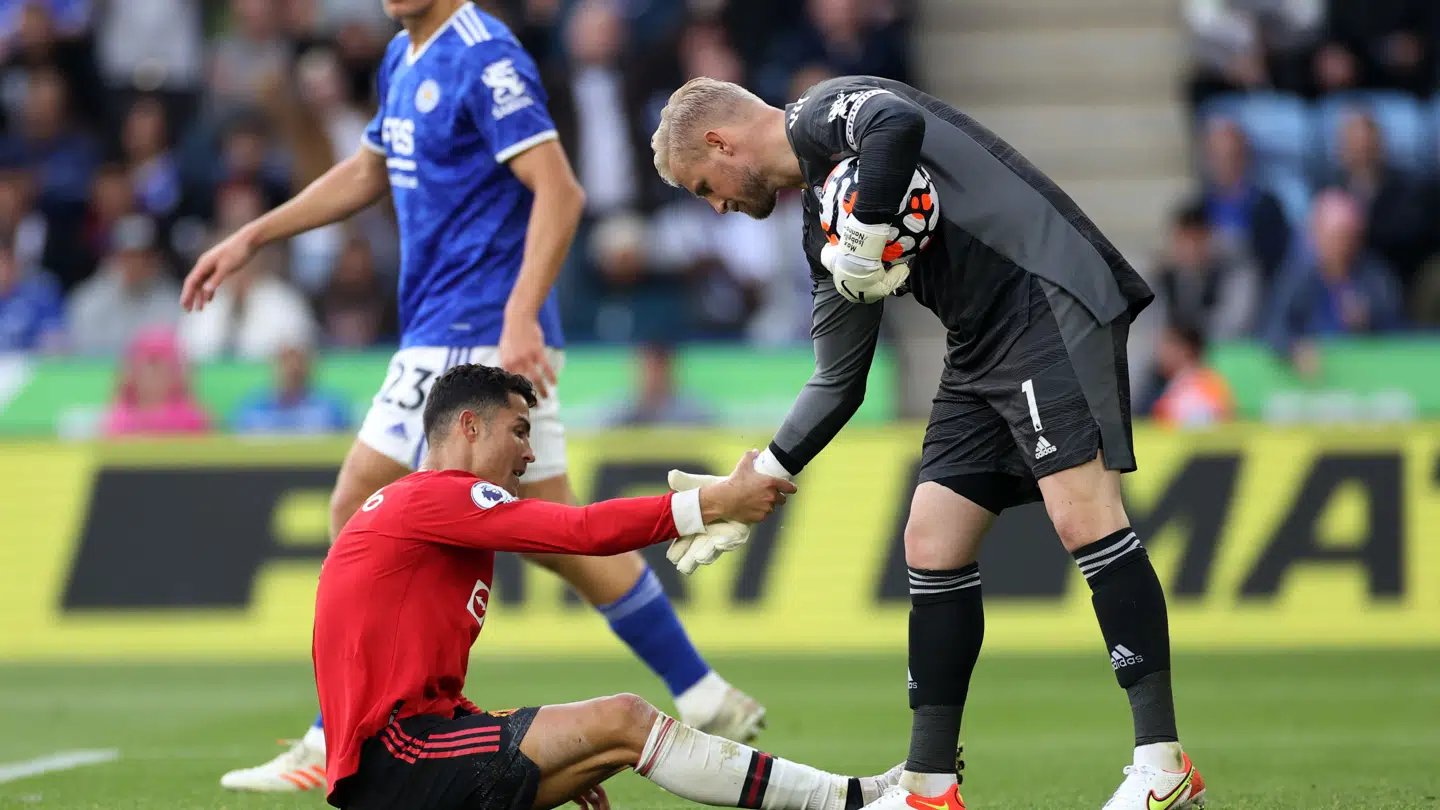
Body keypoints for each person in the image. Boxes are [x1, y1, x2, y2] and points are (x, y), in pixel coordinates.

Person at [181, 0, 766, 792]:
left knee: (357, 503)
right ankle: (702, 689)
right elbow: (368, 171)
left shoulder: (484, 54)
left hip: (479, 325)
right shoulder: (402, 55)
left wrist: (520, 311)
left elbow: (559, 190)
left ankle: (331, 733)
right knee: (546, 528)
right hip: (444, 321)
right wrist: (253, 236)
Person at [648, 76, 1205, 810]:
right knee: (931, 537)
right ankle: (928, 787)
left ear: (720, 142)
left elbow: (896, 121)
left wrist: (872, 226)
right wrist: (756, 480)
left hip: (1045, 293)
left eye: (702, 185)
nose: (716, 204)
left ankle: (1163, 764)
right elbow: (837, 381)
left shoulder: (824, 112)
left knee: (1085, 516)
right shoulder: (821, 223)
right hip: (979, 341)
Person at [315, 363, 897, 810]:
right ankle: (852, 799)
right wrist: (716, 501)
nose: (529, 453)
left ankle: (858, 796)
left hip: (401, 752)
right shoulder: (438, 494)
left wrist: (539, 755)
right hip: (396, 758)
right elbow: (581, 529)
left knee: (614, 737)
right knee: (623, 719)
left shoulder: (425, 518)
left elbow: (425, 689)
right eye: (518, 431)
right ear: (469, 426)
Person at [101, 327, 211, 437]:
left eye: (162, 366)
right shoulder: (118, 418)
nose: (153, 375)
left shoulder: (192, 418)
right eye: (149, 364)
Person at [232, 343, 353, 435]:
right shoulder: (253, 408)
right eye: (285, 360)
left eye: (299, 361)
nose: (293, 367)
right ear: (274, 367)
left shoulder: (331, 408)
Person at [1149, 326, 1236, 429]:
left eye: (1168, 346)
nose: (1161, 353)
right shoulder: (1175, 383)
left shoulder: (1205, 386)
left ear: (1186, 350)